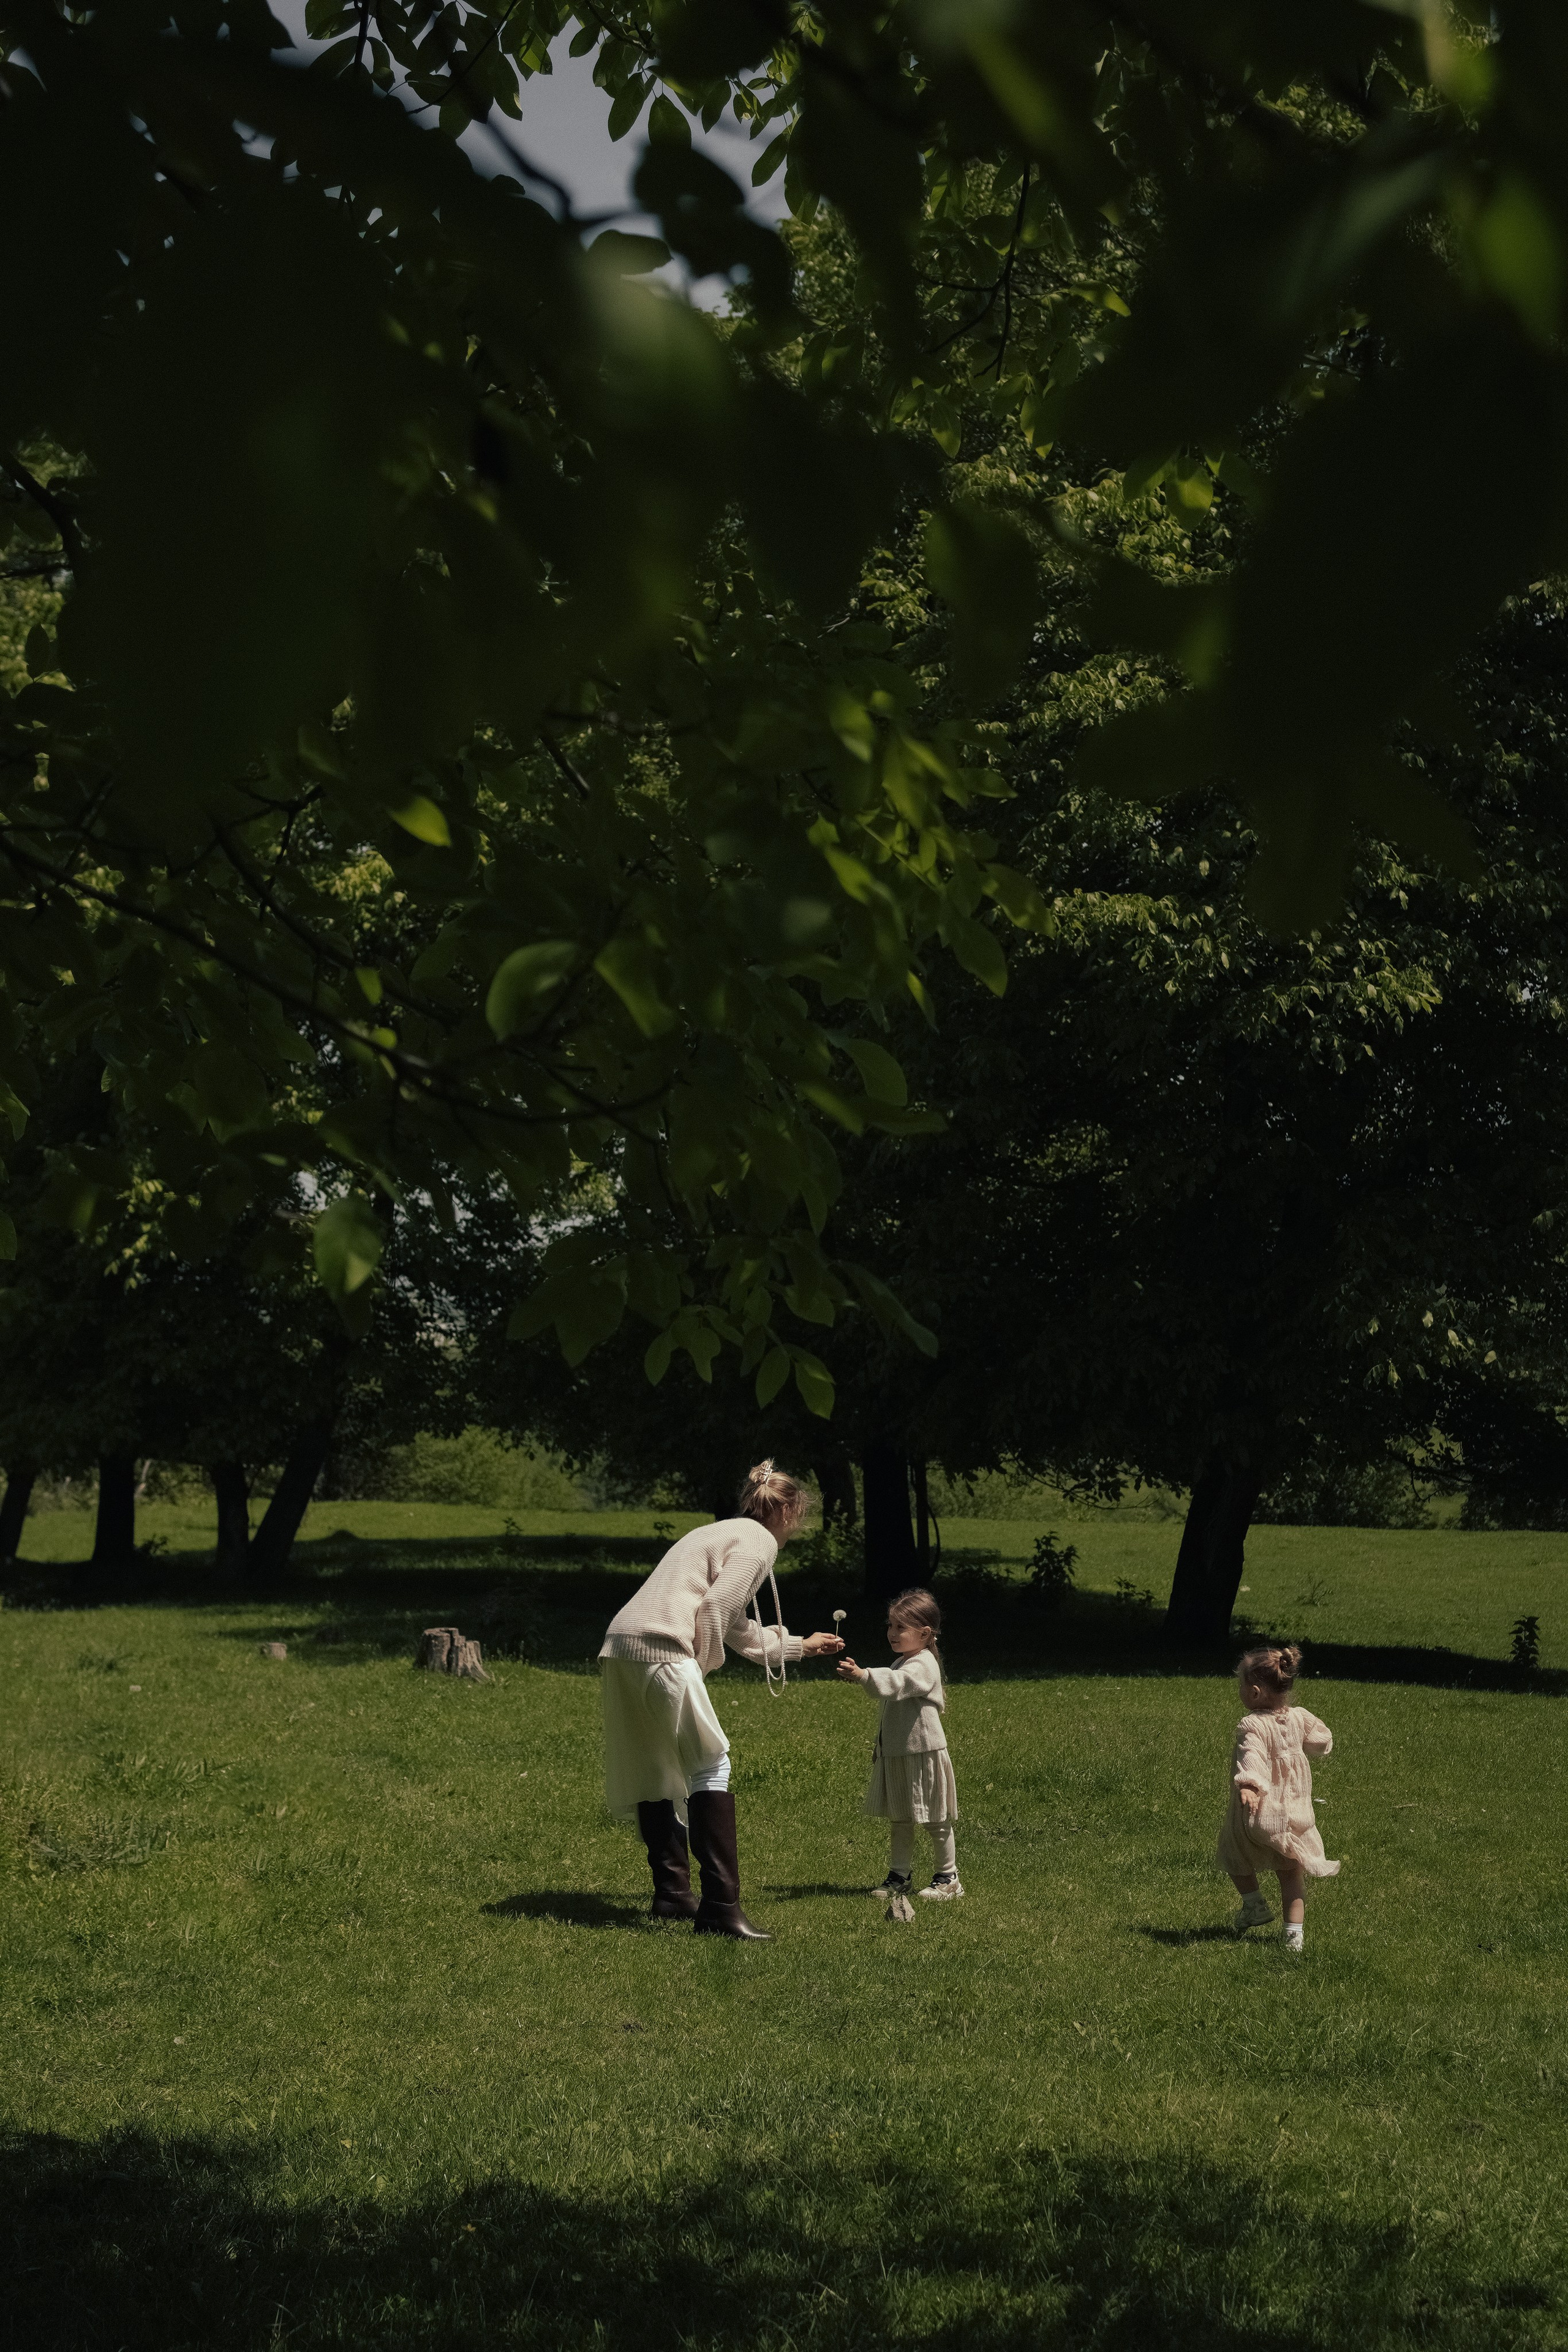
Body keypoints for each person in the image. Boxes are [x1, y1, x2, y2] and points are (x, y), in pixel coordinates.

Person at [598, 1460, 843, 1940]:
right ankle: (720, 1910)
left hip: (622, 1645)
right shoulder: (759, 1544)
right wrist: (700, 1669)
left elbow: (731, 1623)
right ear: (791, 1509)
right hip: (661, 1647)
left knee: (657, 1770)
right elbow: (713, 1609)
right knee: (712, 1763)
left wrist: (798, 1646)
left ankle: (672, 1897)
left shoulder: (723, 1532)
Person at [836, 1586, 961, 1908]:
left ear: (925, 1632)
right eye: (890, 1626)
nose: (892, 1633)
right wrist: (881, 1745)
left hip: (923, 1753)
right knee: (901, 1817)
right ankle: (899, 1876)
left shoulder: (922, 1664)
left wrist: (864, 1675)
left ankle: (948, 1878)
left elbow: (900, 1686)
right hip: (899, 1753)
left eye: (900, 1627)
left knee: (935, 1817)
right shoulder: (901, 1661)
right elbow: (893, 1708)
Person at [1216, 1642, 1339, 1951]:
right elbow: (1321, 1737)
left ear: (1255, 1692)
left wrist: (1249, 1785)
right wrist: (1313, 1744)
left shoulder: (1252, 1724)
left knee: (1233, 1851)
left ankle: (1254, 1904)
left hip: (1260, 1812)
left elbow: (1252, 1756)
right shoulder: (1299, 1716)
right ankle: (1293, 1938)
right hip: (1296, 1812)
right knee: (1291, 1873)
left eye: (1241, 1685)